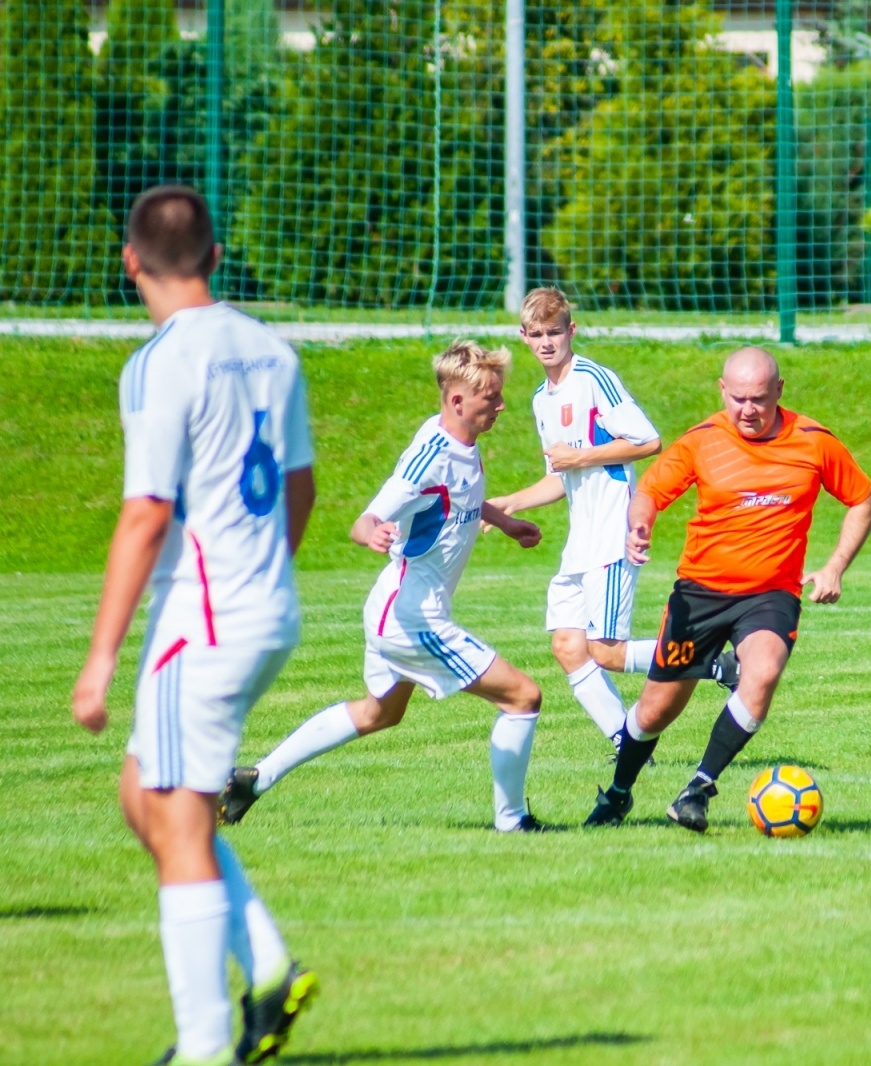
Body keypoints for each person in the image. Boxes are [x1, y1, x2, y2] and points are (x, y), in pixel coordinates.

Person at [71, 185, 319, 1066]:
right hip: (266, 609)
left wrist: (100, 660)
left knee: (176, 823)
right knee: (145, 797)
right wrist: (265, 578)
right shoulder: (272, 350)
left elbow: (144, 514)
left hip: (201, 623)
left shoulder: (158, 362)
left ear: (130, 261)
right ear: (214, 256)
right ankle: (272, 964)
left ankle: (205, 1044)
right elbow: (300, 488)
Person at [219, 341, 548, 833]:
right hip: (412, 618)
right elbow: (365, 518)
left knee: (378, 714)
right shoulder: (427, 458)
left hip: (396, 606)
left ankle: (254, 778)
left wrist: (504, 522)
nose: (501, 405)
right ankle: (512, 821)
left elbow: (460, 499)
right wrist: (369, 530)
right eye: (492, 398)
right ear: (457, 400)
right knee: (524, 696)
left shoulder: (460, 443)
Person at [583, 346, 871, 832]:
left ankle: (698, 788)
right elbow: (650, 492)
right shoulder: (702, 441)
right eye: (738, 398)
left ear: (779, 392)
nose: (748, 409)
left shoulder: (814, 442)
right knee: (655, 712)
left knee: (761, 675)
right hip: (698, 595)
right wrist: (640, 525)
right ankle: (619, 793)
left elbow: (863, 502)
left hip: (770, 594)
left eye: (759, 399)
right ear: (722, 391)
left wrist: (834, 568)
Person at [486, 288, 666, 756]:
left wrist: (581, 455)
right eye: (537, 334)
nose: (547, 342)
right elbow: (559, 476)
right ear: (523, 337)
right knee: (568, 645)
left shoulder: (593, 379)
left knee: (606, 650)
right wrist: (512, 502)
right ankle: (627, 745)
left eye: (555, 332)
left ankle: (708, 661)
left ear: (572, 330)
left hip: (610, 532)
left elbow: (648, 441)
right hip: (580, 541)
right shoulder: (542, 399)